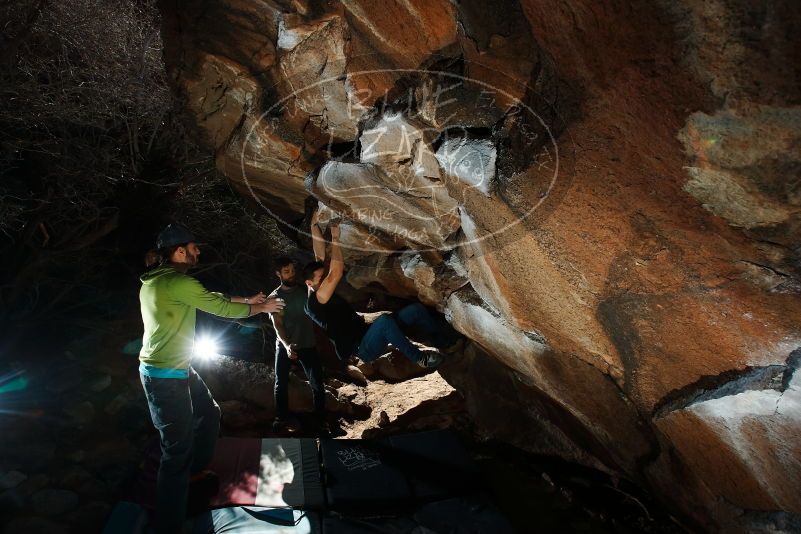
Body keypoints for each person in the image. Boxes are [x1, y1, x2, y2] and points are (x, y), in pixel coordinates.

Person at [138, 223, 285, 534]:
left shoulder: (160, 280)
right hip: (165, 377)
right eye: (193, 247)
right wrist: (262, 307)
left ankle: (194, 473)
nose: (198, 251)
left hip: (178, 367)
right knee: (175, 453)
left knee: (209, 413)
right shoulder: (176, 283)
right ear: (179, 251)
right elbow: (217, 307)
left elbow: (209, 296)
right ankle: (168, 526)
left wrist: (247, 298)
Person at [304, 212, 462, 367]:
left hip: (369, 332)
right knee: (384, 321)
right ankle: (420, 358)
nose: (325, 278)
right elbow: (335, 273)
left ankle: (444, 343)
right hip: (363, 348)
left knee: (415, 310)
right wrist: (336, 238)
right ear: (309, 283)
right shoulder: (315, 302)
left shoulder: (317, 286)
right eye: (320, 278)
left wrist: (313, 224)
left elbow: (319, 256)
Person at [268, 257, 326, 434]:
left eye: (293, 270)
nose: (292, 274)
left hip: (307, 344)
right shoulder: (275, 298)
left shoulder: (304, 291)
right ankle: (281, 418)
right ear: (278, 274)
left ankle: (321, 420)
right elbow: (278, 326)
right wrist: (286, 346)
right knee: (281, 383)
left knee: (317, 382)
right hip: (286, 345)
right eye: (287, 272)